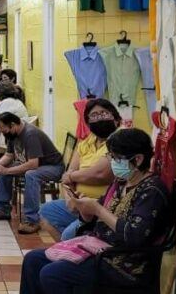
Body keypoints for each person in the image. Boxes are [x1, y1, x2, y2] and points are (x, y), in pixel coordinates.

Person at [7, 128, 169, 294]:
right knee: (34, 260)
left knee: (53, 274)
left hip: (124, 262)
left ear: (137, 160)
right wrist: (84, 210)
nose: (113, 163)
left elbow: (134, 236)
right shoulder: (121, 184)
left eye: (117, 158)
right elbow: (96, 221)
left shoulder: (152, 191)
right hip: (98, 249)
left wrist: (98, 210)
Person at [40, 98, 118, 240]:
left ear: (116, 118)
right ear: (88, 122)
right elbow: (67, 175)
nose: (100, 118)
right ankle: (71, 249)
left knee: (68, 235)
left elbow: (100, 174)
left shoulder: (119, 139)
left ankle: (75, 245)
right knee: (45, 212)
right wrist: (71, 198)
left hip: (101, 206)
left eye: (104, 113)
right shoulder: (86, 142)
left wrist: (72, 176)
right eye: (94, 115)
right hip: (78, 202)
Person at [0, 112, 64, 234]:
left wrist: (7, 170)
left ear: (13, 125)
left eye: (4, 130)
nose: (3, 133)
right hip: (31, 164)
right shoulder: (11, 134)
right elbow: (9, 155)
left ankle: (32, 220)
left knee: (31, 174)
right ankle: (2, 209)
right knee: (1, 169)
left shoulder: (30, 134)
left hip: (52, 167)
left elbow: (33, 164)